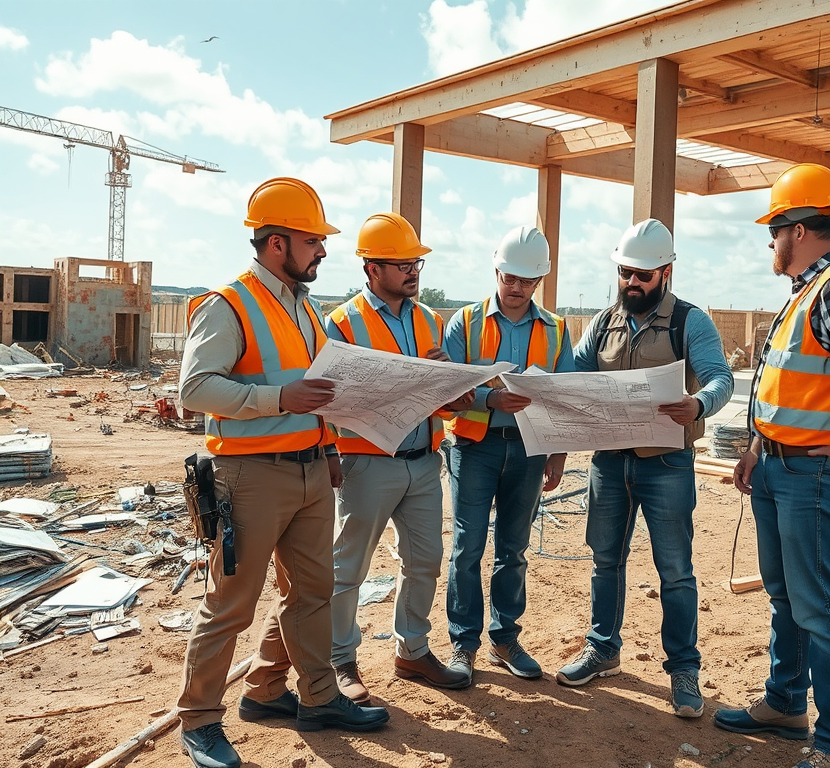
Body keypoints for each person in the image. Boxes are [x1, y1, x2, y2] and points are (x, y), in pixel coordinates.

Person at [177, 178, 389, 768]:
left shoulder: (303, 306)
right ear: (276, 243)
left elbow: (315, 390)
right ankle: (198, 721)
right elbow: (194, 389)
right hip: (249, 477)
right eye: (311, 240)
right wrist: (280, 398)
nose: (322, 250)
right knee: (232, 604)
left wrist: (326, 450)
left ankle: (306, 697)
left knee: (313, 592)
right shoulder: (230, 303)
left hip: (311, 473)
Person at [713, 164, 830, 768]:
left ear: (798, 229)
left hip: (815, 475)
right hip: (779, 467)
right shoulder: (809, 290)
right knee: (786, 595)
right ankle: (787, 704)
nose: (771, 242)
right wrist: (755, 447)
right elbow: (785, 388)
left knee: (818, 606)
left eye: (774, 230)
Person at [558, 218, 734, 719]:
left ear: (666, 272)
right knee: (604, 559)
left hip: (667, 466)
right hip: (610, 463)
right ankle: (603, 649)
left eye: (642, 275)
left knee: (675, 571)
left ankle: (683, 669)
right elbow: (575, 372)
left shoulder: (690, 323)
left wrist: (698, 404)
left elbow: (721, 379)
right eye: (625, 273)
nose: (631, 283)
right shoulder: (603, 321)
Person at [328, 212, 475, 703]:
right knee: (349, 567)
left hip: (423, 461)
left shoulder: (428, 319)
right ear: (373, 269)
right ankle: (339, 660)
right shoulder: (343, 323)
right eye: (403, 264)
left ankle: (411, 651)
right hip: (367, 462)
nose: (413, 272)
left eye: (416, 263)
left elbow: (440, 396)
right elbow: (334, 400)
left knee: (425, 562)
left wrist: (453, 387)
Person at [442, 226, 575, 683]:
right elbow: (451, 385)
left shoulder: (557, 329)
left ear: (539, 281)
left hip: (529, 450)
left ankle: (504, 638)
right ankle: (463, 643)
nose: (516, 288)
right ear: (496, 270)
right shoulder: (466, 322)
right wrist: (489, 400)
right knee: (467, 547)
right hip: (474, 448)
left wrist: (557, 456)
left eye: (527, 280)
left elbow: (562, 395)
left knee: (513, 550)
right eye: (509, 277)